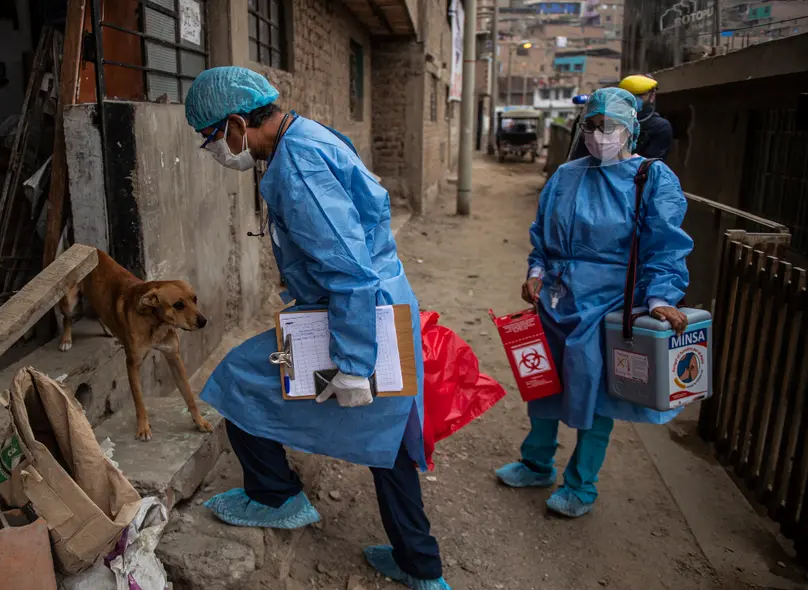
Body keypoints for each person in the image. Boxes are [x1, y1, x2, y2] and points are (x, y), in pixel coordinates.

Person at [184, 67, 449, 590]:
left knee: (237, 380)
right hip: (374, 305)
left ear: (238, 123)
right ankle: (421, 567)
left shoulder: (296, 166)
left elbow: (347, 270)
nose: (215, 150)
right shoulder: (308, 134)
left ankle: (276, 496)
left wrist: (352, 364)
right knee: (387, 435)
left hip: (357, 312)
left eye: (213, 137)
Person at [496, 87, 693, 518]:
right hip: (556, 299)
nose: (600, 135)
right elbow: (543, 238)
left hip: (611, 303)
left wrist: (660, 297)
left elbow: (665, 245)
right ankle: (536, 463)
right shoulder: (566, 176)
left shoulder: (651, 178)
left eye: (611, 127)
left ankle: (581, 485)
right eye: (593, 125)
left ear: (631, 131)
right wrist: (535, 274)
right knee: (542, 384)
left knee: (598, 393)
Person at [569, 74, 673, 160]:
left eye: (640, 95)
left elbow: (650, 165)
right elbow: (577, 153)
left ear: (652, 96)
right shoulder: (591, 118)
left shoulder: (659, 127)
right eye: (628, 95)